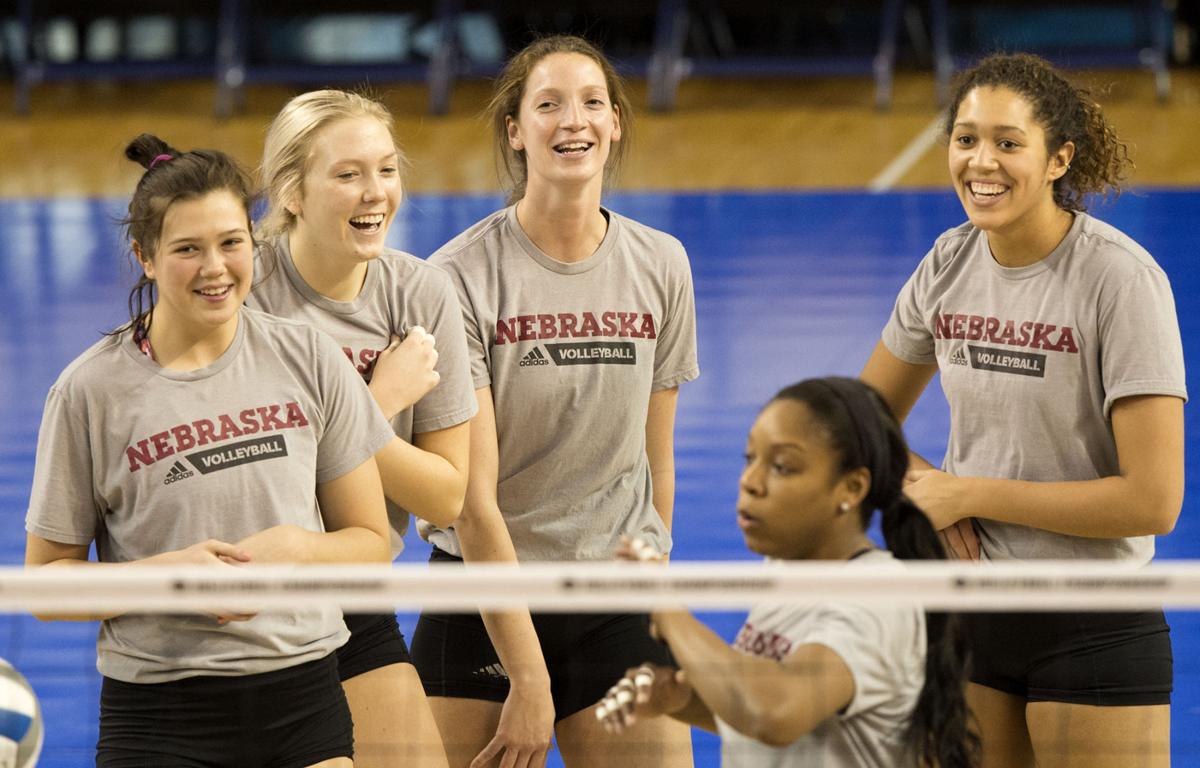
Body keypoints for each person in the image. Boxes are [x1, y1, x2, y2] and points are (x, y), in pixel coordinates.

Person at [24, 134, 395, 767]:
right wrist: (174, 580)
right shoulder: (88, 391)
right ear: (144, 257)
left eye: (231, 242)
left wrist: (296, 547)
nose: (215, 268)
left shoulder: (308, 358)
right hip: (159, 716)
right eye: (187, 249)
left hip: (302, 700)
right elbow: (45, 585)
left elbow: (371, 544)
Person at [859, 53, 1185, 767]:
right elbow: (859, 419)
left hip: (1094, 619)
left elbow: (1154, 501)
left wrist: (968, 494)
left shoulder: (1121, 281)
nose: (982, 162)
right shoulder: (947, 262)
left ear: (1059, 158)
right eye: (966, 139)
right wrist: (924, 488)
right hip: (969, 613)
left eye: (1008, 142)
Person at [410, 34, 700, 768]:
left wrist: (656, 588)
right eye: (549, 105)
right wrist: (528, 674)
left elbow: (655, 457)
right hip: (485, 594)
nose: (574, 120)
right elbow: (472, 501)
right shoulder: (457, 277)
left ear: (615, 123)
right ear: (516, 131)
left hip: (612, 592)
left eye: (592, 102)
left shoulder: (661, 263)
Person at [252, 88, 475, 768]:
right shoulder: (244, 289)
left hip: (354, 595)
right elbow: (262, 480)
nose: (375, 192)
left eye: (386, 169)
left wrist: (357, 423)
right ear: (291, 191)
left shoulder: (421, 292)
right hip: (251, 607)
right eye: (347, 174)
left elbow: (445, 497)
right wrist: (377, 403)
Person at [596, 377, 979, 768]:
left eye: (781, 466)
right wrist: (679, 699)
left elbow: (775, 713)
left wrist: (668, 609)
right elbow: (771, 715)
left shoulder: (878, 597)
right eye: (750, 459)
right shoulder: (785, 574)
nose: (750, 481)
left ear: (851, 488)